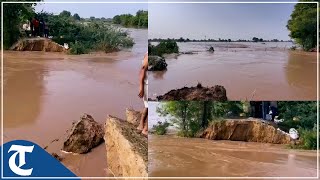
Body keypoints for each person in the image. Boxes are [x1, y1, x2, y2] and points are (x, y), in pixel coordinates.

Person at [137, 52, 148, 136]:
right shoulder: (148, 55)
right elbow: (143, 69)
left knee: (147, 106)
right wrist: (141, 87)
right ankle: (145, 129)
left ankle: (141, 126)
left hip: (147, 84)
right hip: (147, 85)